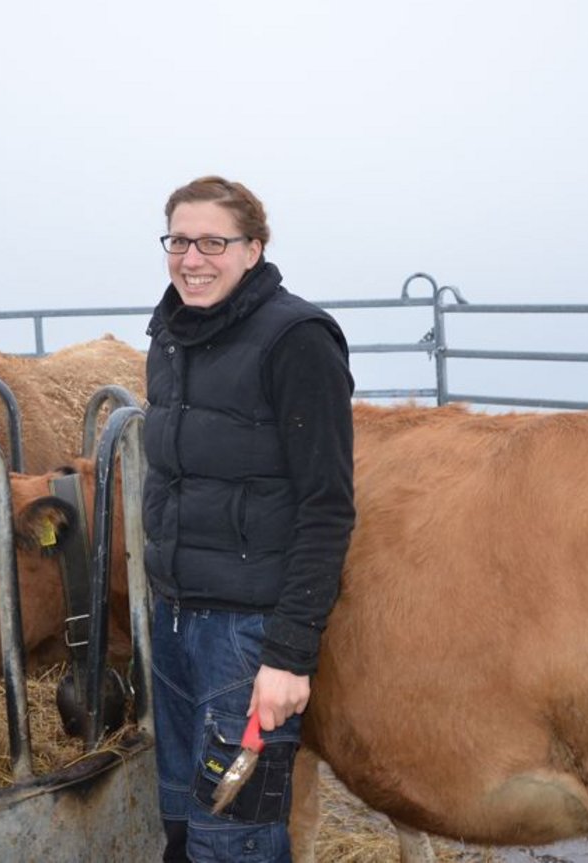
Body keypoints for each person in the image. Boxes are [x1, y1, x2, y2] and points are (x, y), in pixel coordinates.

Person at [143, 176, 355, 862]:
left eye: (214, 242)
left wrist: (288, 656)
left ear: (254, 249)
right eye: (179, 241)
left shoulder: (297, 339)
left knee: (235, 840)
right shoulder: (171, 334)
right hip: (175, 622)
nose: (192, 259)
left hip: (245, 635)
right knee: (183, 825)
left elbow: (327, 506)